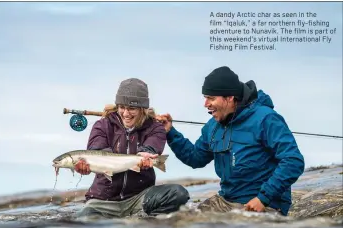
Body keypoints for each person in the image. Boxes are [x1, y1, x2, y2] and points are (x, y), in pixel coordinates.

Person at [156, 66, 305, 216]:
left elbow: (293, 160)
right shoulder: (213, 126)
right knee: (182, 222)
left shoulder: (266, 118)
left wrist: (263, 198)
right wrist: (170, 132)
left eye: (211, 98)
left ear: (230, 98)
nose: (205, 104)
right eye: (205, 97)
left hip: (262, 203)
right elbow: (195, 158)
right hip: (226, 201)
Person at [74, 78, 190, 218]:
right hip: (103, 200)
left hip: (139, 198)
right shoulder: (102, 126)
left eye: (132, 108)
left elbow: (152, 147)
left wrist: (147, 154)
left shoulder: (156, 127)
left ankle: (145, 223)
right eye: (122, 107)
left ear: (143, 109)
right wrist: (88, 166)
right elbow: (96, 152)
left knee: (178, 194)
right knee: (83, 218)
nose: (126, 113)